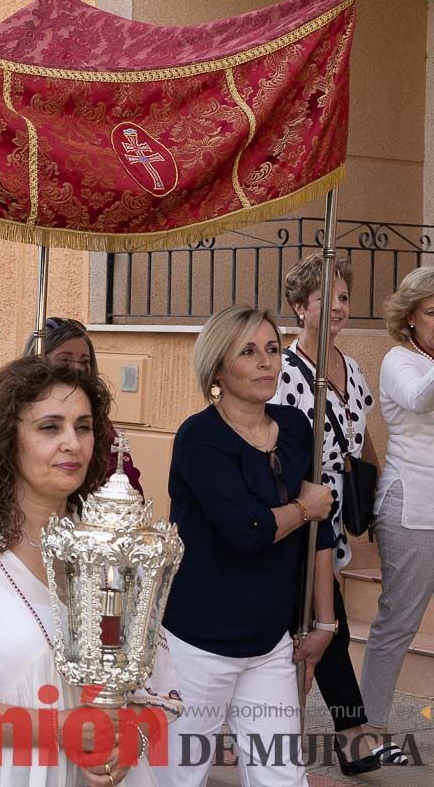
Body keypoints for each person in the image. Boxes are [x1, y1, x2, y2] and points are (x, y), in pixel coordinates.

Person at [0, 357, 180, 786]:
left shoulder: (114, 547)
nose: (73, 444)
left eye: (83, 427)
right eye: (50, 427)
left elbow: (155, 693)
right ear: (9, 439)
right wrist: (65, 728)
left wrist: (128, 744)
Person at [159, 305, 336, 787]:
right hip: (197, 645)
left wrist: (326, 620)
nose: (267, 363)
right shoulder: (200, 437)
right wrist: (304, 507)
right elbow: (248, 530)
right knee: (175, 777)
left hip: (269, 643)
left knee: (283, 778)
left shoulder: (297, 426)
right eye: (249, 351)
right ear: (218, 367)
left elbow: (323, 530)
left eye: (273, 350)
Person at [271, 254, 379, 773]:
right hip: (300, 516)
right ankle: (351, 736)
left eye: (343, 297)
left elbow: (362, 441)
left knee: (313, 625)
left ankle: (291, 732)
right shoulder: (287, 373)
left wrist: (372, 502)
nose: (338, 307)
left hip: (337, 515)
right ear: (299, 306)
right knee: (321, 622)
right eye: (325, 298)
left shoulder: (351, 368)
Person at [357, 266, 434, 767]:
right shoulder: (397, 360)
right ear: (409, 319)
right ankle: (370, 730)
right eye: (433, 312)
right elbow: (418, 398)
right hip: (412, 507)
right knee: (398, 624)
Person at [36, 317, 144, 493]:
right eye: (65, 360)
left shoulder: (102, 427)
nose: (78, 368)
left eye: (85, 361)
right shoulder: (18, 417)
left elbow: (129, 490)